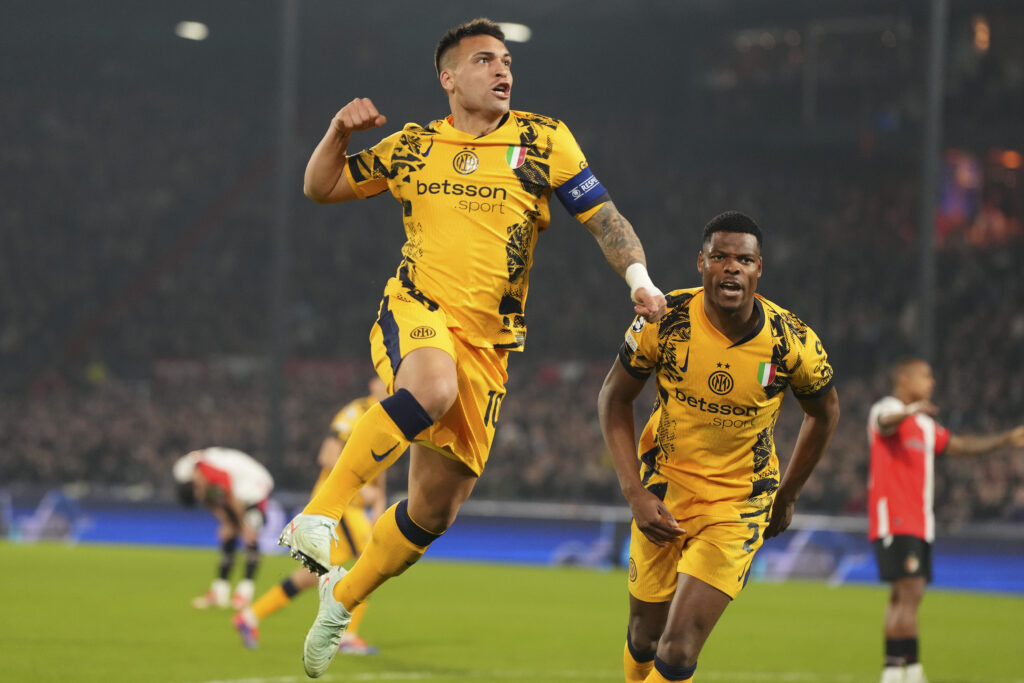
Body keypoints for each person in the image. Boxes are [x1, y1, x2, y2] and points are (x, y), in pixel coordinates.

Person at [278, 17, 668, 678]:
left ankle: (341, 596)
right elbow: (321, 186)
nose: (502, 70)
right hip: (418, 308)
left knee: (434, 511)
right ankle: (315, 516)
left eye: (507, 60)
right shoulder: (412, 146)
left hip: (490, 347)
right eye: (485, 60)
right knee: (430, 388)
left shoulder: (543, 140)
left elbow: (603, 216)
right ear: (448, 77)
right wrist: (337, 134)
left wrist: (638, 278)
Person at [598, 211, 840, 683]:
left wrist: (786, 494)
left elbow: (825, 412)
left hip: (737, 505)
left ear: (758, 269)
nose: (732, 267)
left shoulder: (791, 343)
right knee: (645, 636)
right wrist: (635, 493)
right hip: (664, 493)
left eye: (744, 259)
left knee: (678, 643)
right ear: (701, 264)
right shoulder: (664, 320)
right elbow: (613, 397)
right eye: (721, 257)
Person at [867, 358, 1024, 683]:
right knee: (909, 594)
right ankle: (910, 670)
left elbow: (962, 445)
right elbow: (885, 422)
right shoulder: (888, 407)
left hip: (919, 521)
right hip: (895, 518)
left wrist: (1005, 439)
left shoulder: (925, 426)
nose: (932, 381)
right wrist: (910, 411)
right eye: (925, 375)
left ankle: (895, 670)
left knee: (905, 596)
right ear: (904, 379)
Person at [233, 378, 389, 654]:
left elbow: (381, 466)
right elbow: (328, 456)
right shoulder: (355, 413)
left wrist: (377, 507)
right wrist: (364, 495)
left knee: (310, 573)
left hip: (352, 505)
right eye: (385, 379)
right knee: (371, 563)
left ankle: (249, 616)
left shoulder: (390, 417)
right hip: (339, 503)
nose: (391, 384)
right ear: (372, 384)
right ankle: (347, 637)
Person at [173, 447, 274, 610]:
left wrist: (242, 526)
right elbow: (210, 498)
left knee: (250, 535)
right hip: (239, 490)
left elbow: (231, 498)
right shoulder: (197, 475)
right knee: (228, 535)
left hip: (256, 487)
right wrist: (227, 521)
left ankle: (244, 593)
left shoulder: (212, 473)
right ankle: (220, 592)